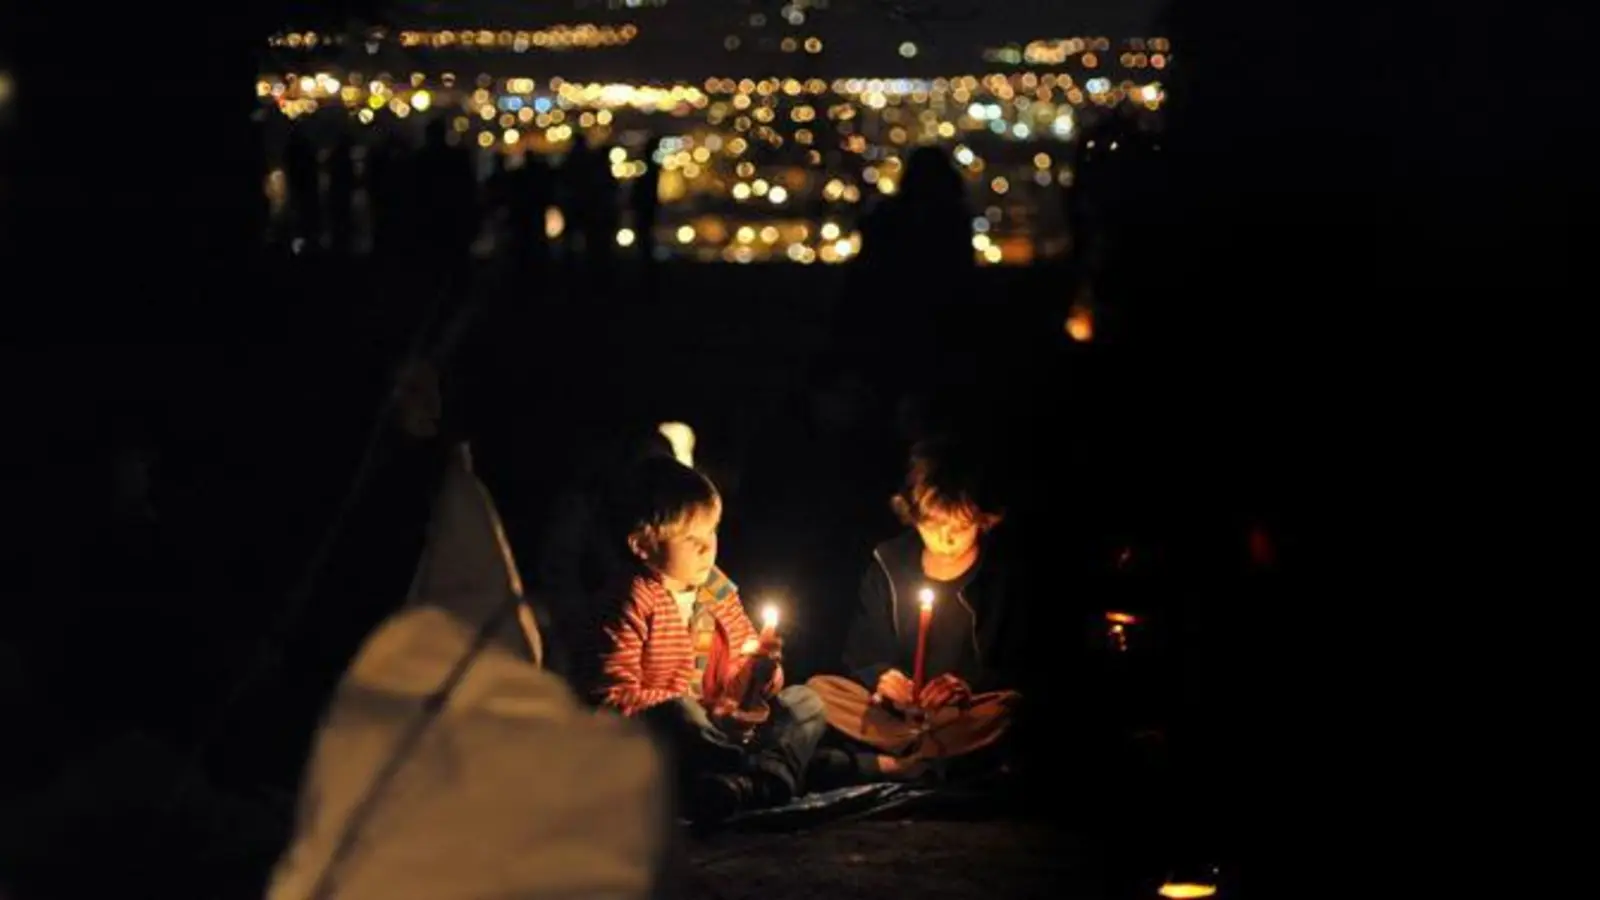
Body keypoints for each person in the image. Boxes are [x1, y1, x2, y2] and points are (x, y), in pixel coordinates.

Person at [582, 456, 826, 822]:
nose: (707, 548)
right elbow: (610, 698)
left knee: (805, 701)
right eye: (691, 539)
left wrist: (762, 671)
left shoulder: (717, 591)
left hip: (725, 732)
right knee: (680, 711)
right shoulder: (630, 598)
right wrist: (700, 714)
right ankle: (759, 773)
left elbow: (743, 677)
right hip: (664, 746)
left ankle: (746, 782)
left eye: (712, 532)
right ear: (643, 545)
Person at [808, 438, 1028, 782]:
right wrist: (882, 677)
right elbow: (861, 652)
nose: (946, 539)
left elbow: (1019, 664)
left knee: (1006, 710)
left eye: (959, 528)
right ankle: (927, 763)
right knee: (818, 692)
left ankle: (890, 763)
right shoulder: (889, 563)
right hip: (896, 716)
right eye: (933, 525)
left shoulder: (998, 574)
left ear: (984, 520)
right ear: (913, 517)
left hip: (959, 717)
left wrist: (965, 688)